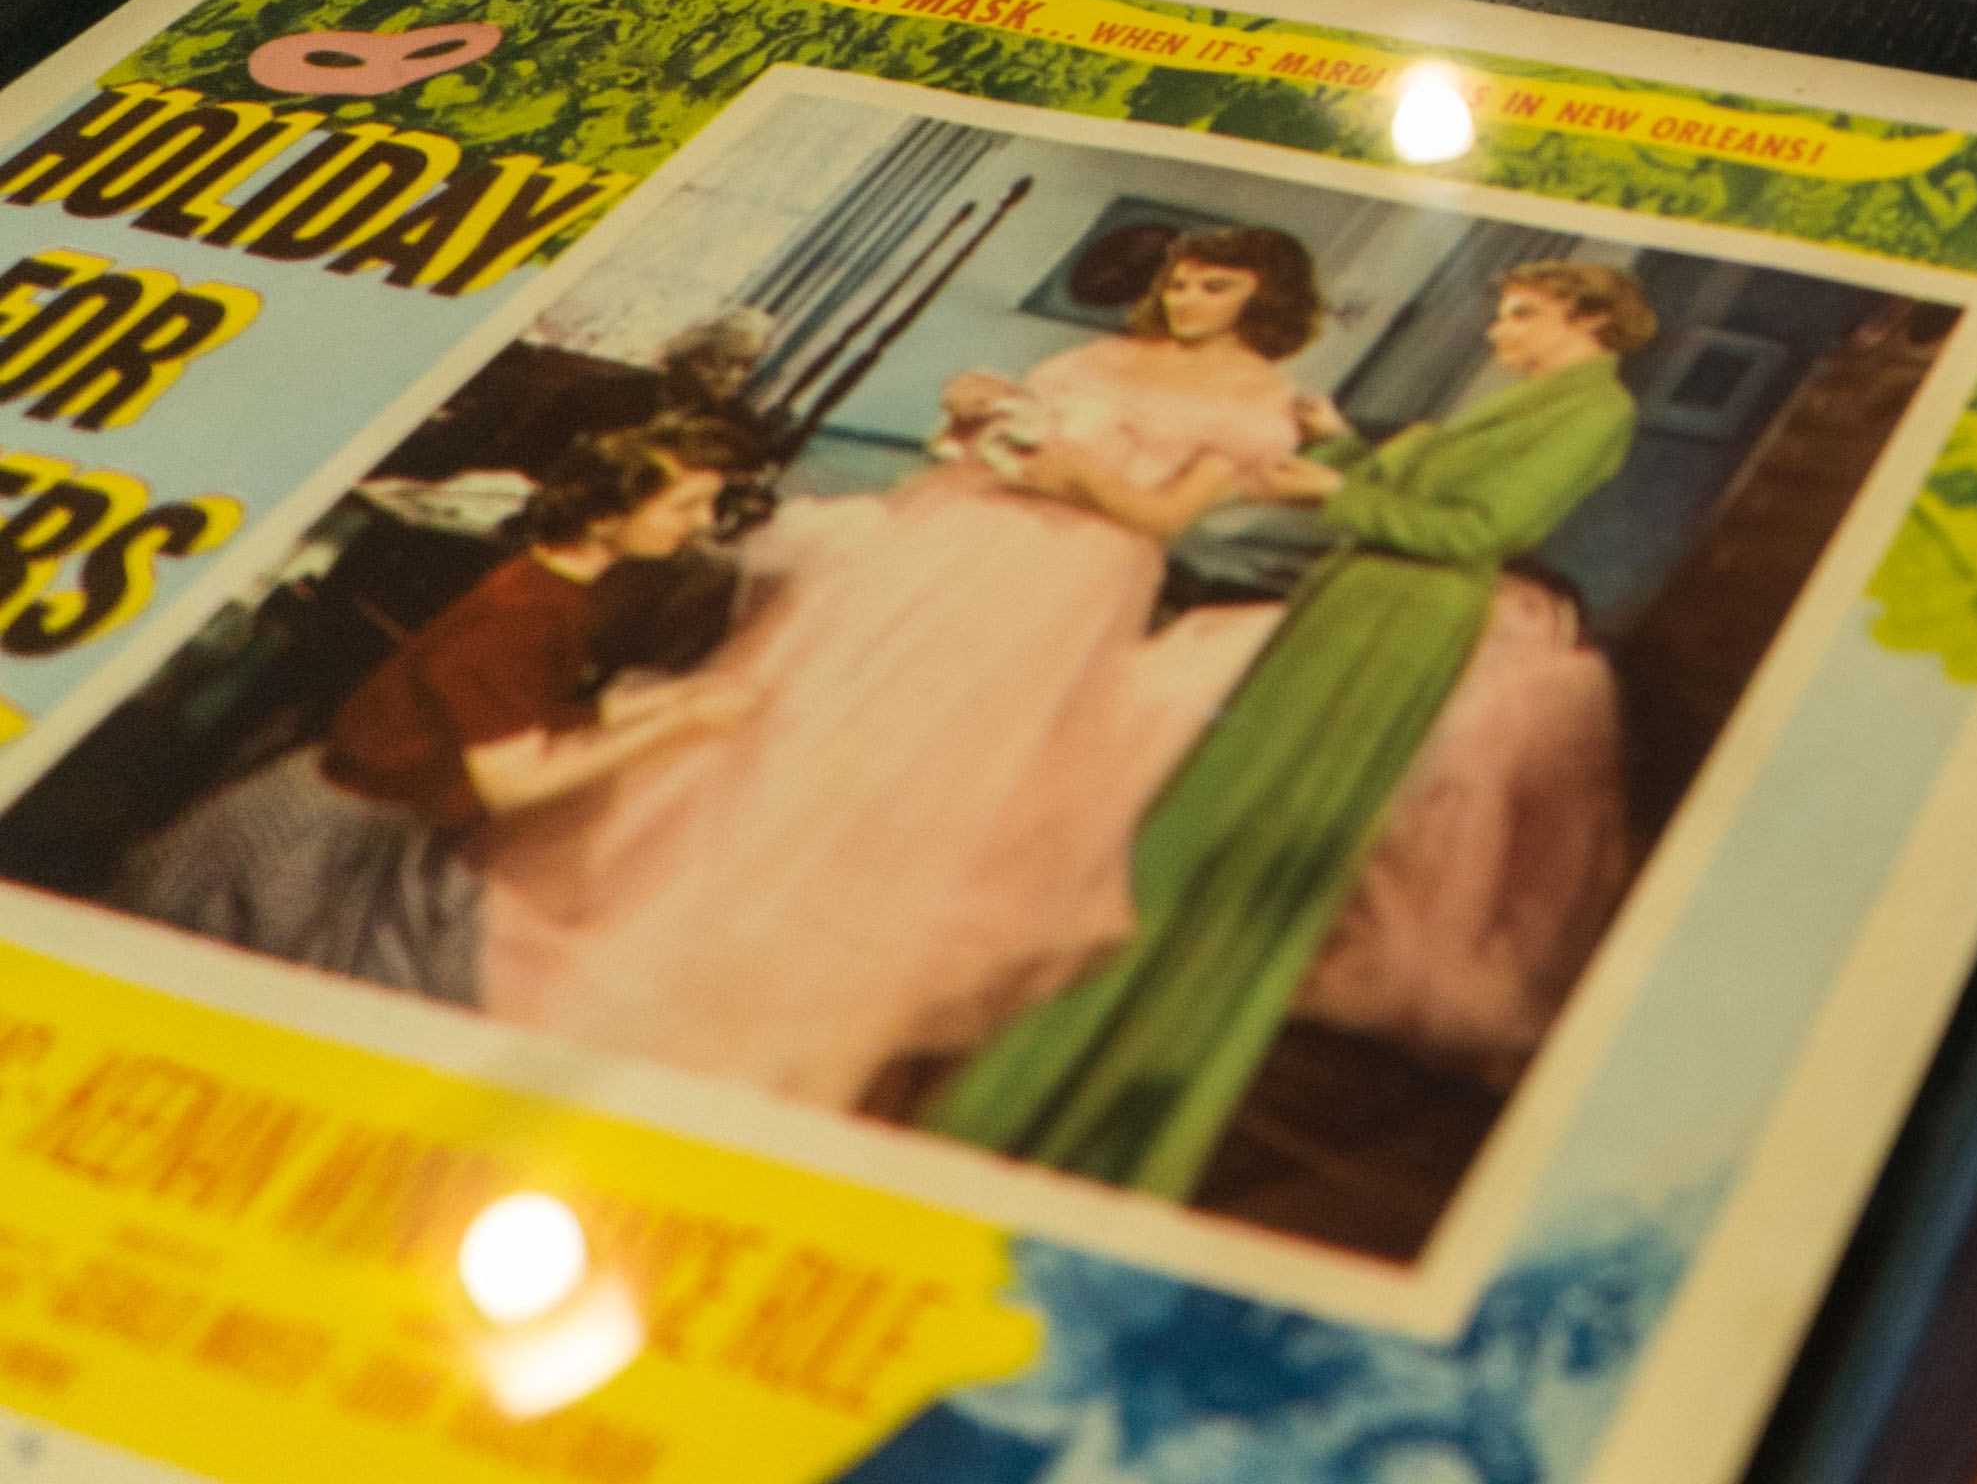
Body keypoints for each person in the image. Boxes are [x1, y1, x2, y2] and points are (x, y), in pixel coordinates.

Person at [477, 230, 1328, 1107]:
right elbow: (976, 450)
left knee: (933, 754)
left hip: (1065, 577)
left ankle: (798, 967)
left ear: (1262, 299)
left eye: (1214, 287)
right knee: (815, 709)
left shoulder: (1258, 399)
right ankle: (680, 909)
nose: (1186, 301)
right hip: (955, 536)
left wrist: (1073, 476)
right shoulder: (1099, 356)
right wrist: (971, 419)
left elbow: (1164, 518)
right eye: (1180, 283)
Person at [924, 262, 1653, 1196]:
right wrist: (1335, 446)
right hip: (1360, 600)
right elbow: (1407, 493)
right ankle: (1067, 1057)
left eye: (1520, 315)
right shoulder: (1534, 399)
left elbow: (1477, 532)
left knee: (1254, 835)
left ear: (1587, 319)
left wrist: (1328, 496)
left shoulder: (1595, 411)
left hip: (1406, 620)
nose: (1497, 332)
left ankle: (1123, 1089)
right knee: (1211, 821)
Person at [114, 421, 754, 1007]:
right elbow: (512, 784)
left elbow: (514, 709)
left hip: (374, 822)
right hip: (324, 833)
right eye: (685, 505)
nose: (702, 523)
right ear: (607, 515)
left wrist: (664, 701)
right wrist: (677, 726)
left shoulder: (549, 588)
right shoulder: (528, 616)